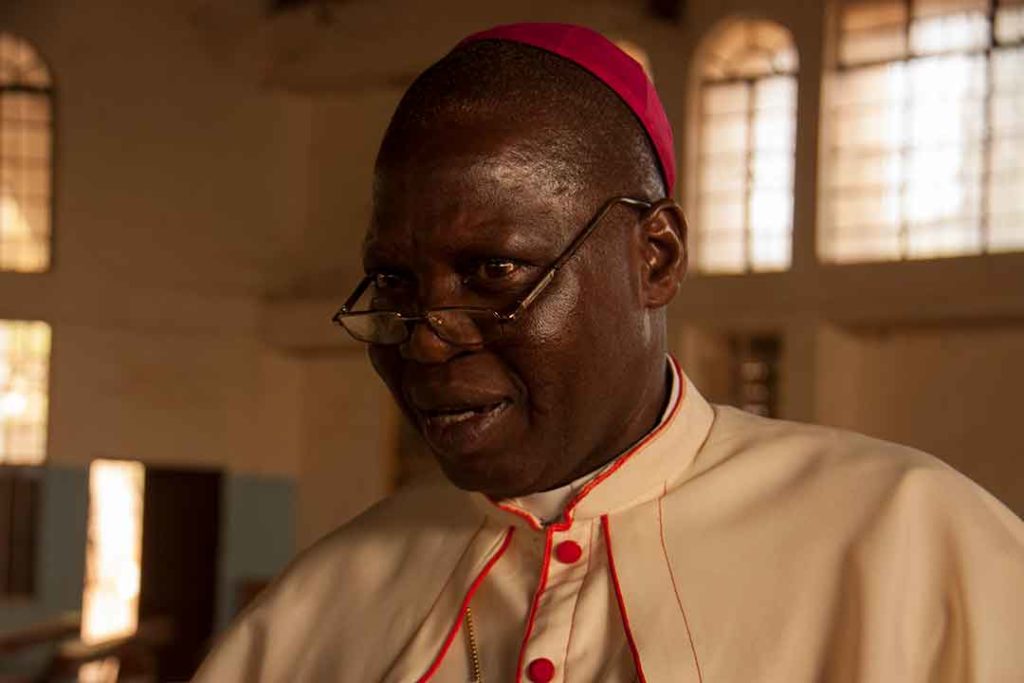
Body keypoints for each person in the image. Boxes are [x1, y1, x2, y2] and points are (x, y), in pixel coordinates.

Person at [193, 23, 1024, 682]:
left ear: (654, 256)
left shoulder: (915, 544)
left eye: (493, 271)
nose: (428, 335)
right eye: (397, 283)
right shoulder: (320, 602)